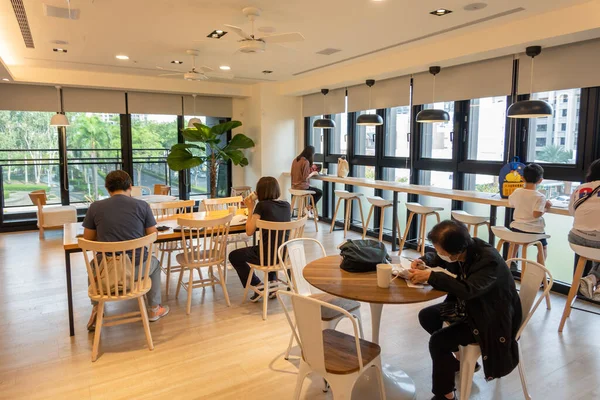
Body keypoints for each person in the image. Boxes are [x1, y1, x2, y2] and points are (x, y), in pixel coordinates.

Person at [408, 220, 522, 400]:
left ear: (456, 251)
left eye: (441, 250)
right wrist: (423, 260)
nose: (439, 253)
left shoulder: (488, 261)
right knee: (428, 316)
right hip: (473, 307)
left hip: (491, 318)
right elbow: (438, 259)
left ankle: (445, 395)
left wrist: (431, 276)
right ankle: (458, 360)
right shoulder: (466, 248)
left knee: (439, 341)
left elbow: (468, 290)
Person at [82, 170, 169, 331]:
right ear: (130, 186)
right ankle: (154, 309)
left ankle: (96, 308)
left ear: (107, 188)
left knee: (93, 265)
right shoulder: (142, 206)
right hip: (136, 270)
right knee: (155, 264)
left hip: (106, 271)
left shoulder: (95, 207)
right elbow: (153, 235)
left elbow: (87, 239)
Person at [228, 176, 291, 301]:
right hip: (283, 254)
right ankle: (272, 282)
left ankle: (258, 284)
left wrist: (250, 208)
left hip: (266, 256)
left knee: (234, 256)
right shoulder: (286, 205)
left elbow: (249, 231)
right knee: (272, 242)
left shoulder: (261, 206)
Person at [569, 159, 600, 299]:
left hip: (576, 239)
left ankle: (592, 279)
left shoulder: (580, 188)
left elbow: (572, 211)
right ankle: (596, 282)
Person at [508, 163, 552, 260]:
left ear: (523, 178)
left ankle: (511, 262)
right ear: (540, 181)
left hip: (517, 228)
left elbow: (511, 203)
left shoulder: (517, 192)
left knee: (515, 243)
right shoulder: (540, 196)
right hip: (533, 231)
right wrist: (546, 207)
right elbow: (536, 214)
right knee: (543, 247)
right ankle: (539, 270)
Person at [290, 146, 322, 215]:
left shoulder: (295, 160)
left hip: (294, 187)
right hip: (302, 187)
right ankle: (308, 208)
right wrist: (314, 173)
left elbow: (293, 174)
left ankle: (308, 209)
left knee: (313, 189)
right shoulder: (305, 162)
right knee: (319, 192)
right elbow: (305, 177)